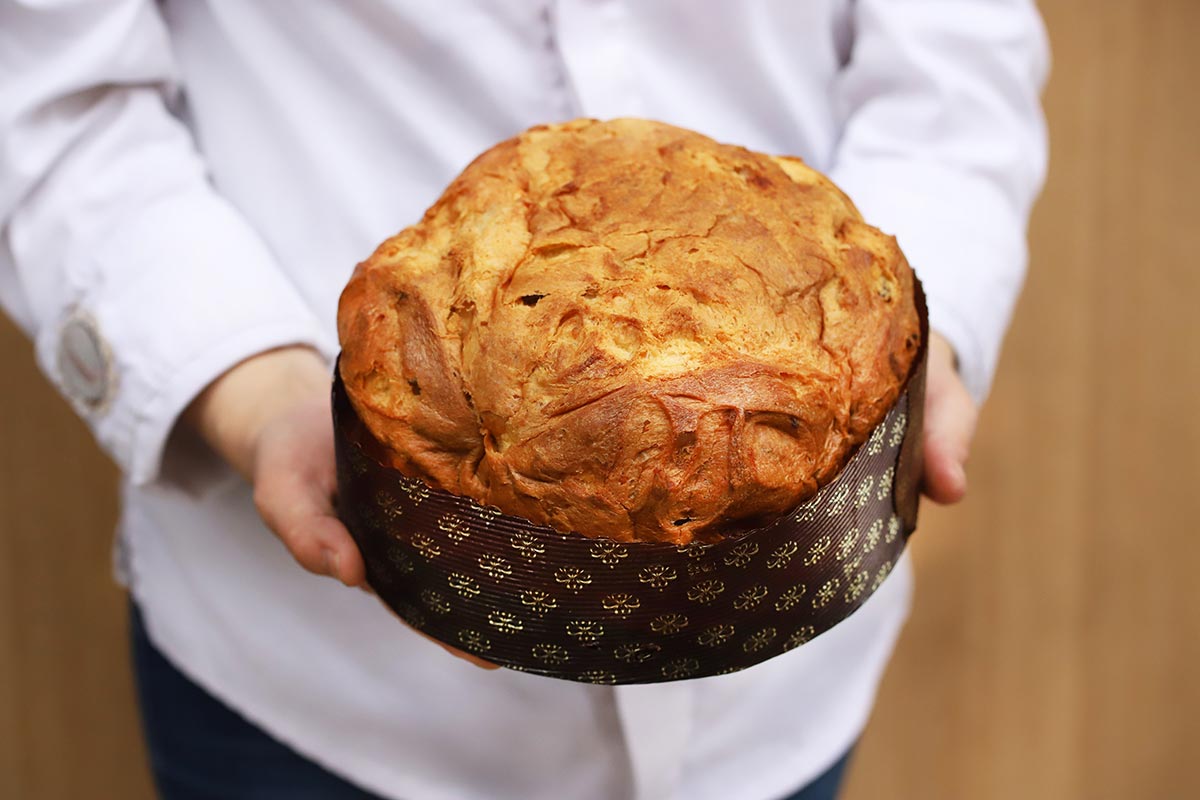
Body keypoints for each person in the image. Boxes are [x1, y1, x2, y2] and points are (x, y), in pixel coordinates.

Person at [0, 2, 1048, 798]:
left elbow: (955, 49)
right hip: (315, 693)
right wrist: (251, 386)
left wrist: (928, 334)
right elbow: (49, 95)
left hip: (781, 675)